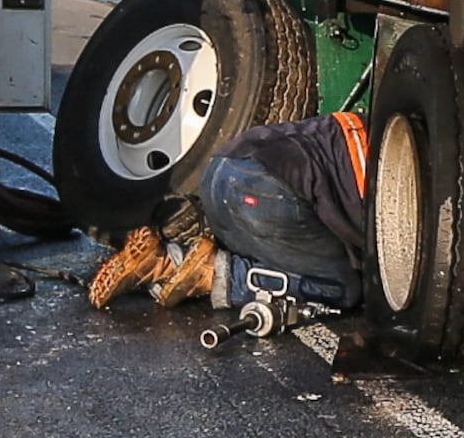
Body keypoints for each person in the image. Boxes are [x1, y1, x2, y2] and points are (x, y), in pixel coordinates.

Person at [88, 111, 370, 314]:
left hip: (222, 171)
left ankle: (168, 261)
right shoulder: (394, 171)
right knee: (339, 289)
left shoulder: (377, 127)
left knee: (284, 255)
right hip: (268, 192)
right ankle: (215, 272)